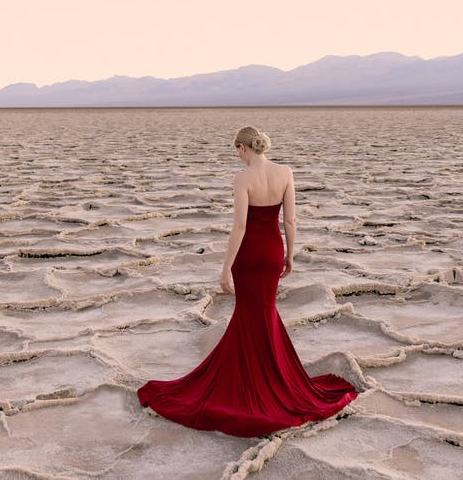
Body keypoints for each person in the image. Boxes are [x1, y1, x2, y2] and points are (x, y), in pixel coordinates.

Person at [136, 126, 359, 438]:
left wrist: (225, 267)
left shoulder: (242, 178)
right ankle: (270, 375)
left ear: (243, 148)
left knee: (248, 312)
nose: (238, 157)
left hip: (248, 252)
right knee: (264, 311)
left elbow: (239, 226)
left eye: (236, 151)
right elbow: (290, 220)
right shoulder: (285, 172)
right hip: (271, 251)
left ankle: (250, 382)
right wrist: (290, 255)